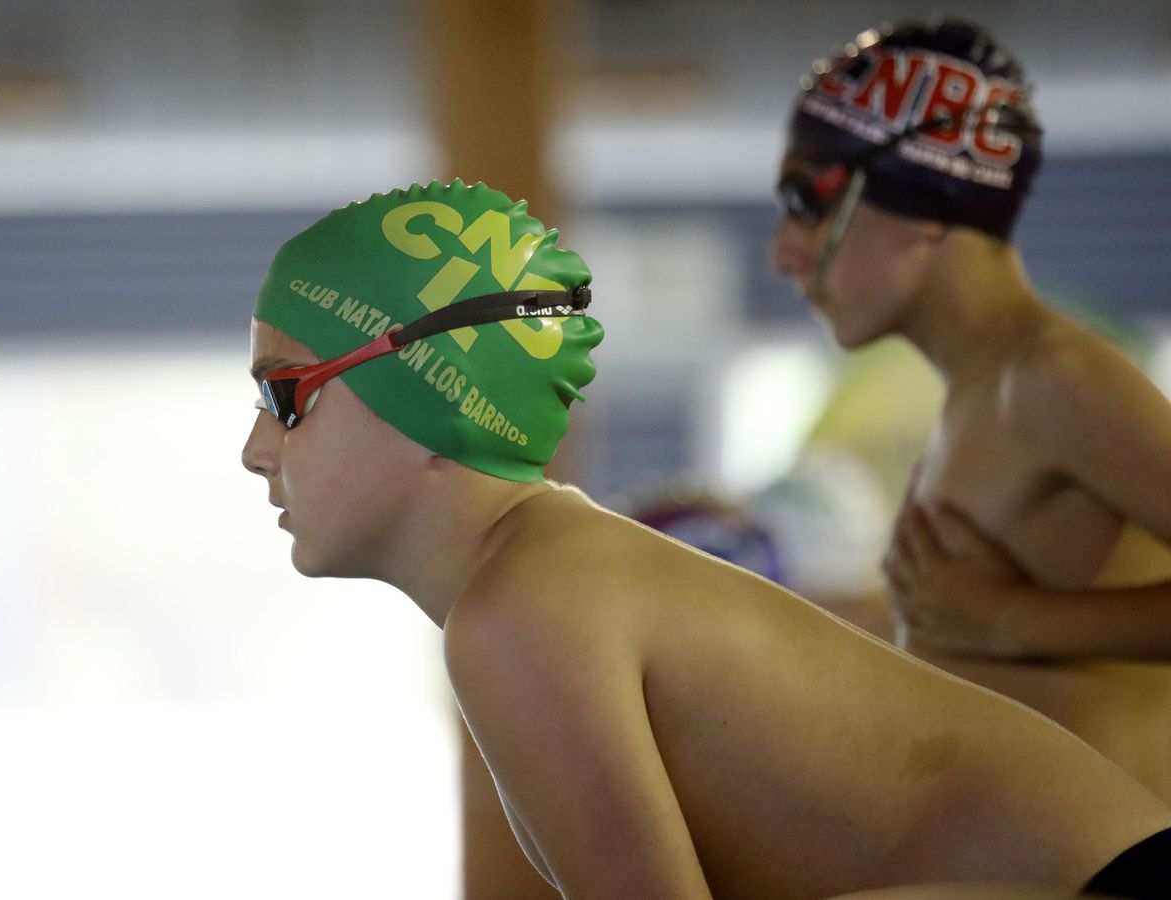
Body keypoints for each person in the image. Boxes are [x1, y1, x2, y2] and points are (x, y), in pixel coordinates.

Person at [241, 179, 1171, 898]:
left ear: (423, 397)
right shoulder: (551, 569)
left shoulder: (519, 609)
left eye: (285, 395)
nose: (255, 451)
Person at [768, 18, 1171, 804]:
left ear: (924, 202)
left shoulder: (1055, 377)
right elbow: (954, 626)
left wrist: (1014, 620)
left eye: (805, 200)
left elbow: (986, 622)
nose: (783, 251)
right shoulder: (982, 395)